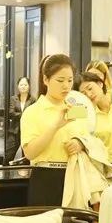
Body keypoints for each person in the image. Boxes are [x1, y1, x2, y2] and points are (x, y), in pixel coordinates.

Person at [21, 55, 91, 205]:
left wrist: (80, 143)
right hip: (45, 178)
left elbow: (89, 138)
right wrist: (55, 126)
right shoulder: (32, 112)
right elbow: (30, 153)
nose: (66, 86)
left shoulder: (77, 109)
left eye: (70, 80)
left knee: (74, 220)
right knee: (45, 220)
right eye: (60, 80)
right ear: (46, 80)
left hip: (74, 175)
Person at [6, 76, 35, 163]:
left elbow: (34, 114)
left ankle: (25, 171)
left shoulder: (33, 100)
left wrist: (20, 115)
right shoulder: (13, 99)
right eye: (21, 85)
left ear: (29, 86)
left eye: (25, 85)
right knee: (9, 154)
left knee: (26, 156)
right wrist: (25, 115)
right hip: (14, 130)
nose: (23, 87)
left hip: (27, 131)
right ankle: (6, 170)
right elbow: (11, 112)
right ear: (18, 86)